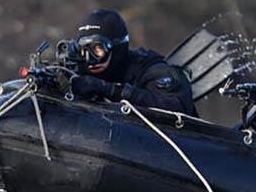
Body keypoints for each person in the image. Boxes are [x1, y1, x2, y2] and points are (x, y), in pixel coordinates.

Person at [59, 9, 197, 116]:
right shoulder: (79, 72)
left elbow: (178, 106)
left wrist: (111, 90)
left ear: (117, 47)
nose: (90, 59)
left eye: (98, 48)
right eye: (84, 50)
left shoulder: (149, 69)